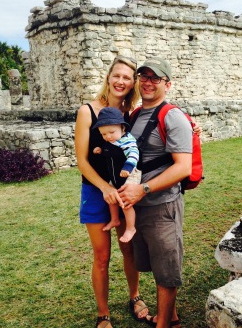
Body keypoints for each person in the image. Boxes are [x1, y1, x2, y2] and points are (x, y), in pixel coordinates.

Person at [75, 55, 149, 328]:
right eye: (116, 75)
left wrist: (193, 128)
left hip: (125, 189)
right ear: (108, 77)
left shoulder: (133, 115)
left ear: (133, 84)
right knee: (102, 256)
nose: (120, 81)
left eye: (127, 78)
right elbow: (82, 160)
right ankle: (103, 314)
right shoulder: (88, 111)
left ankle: (135, 296)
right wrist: (105, 187)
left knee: (128, 248)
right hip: (96, 191)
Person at [118, 57, 192, 328]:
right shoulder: (136, 114)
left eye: (155, 78)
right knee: (153, 264)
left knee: (166, 270)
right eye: (144, 77)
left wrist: (143, 189)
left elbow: (183, 167)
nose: (148, 82)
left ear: (167, 84)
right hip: (138, 206)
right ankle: (169, 319)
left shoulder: (173, 116)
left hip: (163, 205)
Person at [92, 107, 141, 243]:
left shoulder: (127, 140)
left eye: (111, 132)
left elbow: (133, 153)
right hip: (115, 176)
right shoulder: (110, 141)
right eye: (104, 134)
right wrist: (100, 150)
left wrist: (128, 167)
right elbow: (110, 151)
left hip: (130, 174)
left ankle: (131, 228)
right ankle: (115, 219)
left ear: (122, 128)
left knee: (125, 201)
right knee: (111, 197)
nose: (108, 136)